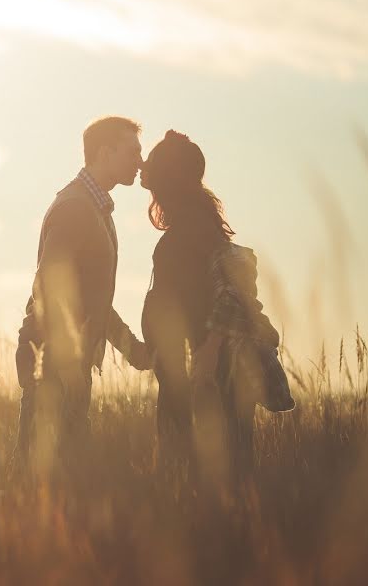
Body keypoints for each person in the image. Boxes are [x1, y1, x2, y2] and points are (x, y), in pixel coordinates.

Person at [13, 116, 153, 477]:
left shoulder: (93, 207)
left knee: (65, 478)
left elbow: (93, 299)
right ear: (105, 153)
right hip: (55, 366)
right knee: (37, 477)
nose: (141, 160)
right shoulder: (76, 207)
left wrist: (133, 350)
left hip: (68, 367)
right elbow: (48, 286)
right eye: (133, 151)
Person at [140, 129, 275, 483]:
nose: (144, 175)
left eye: (152, 172)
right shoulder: (199, 225)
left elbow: (229, 292)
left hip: (205, 370)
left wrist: (210, 351)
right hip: (197, 368)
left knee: (207, 468)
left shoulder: (191, 231)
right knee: (222, 466)